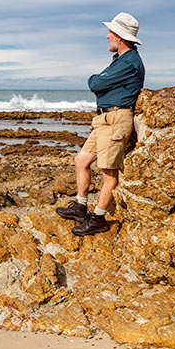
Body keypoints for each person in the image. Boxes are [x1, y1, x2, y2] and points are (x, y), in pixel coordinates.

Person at [56, 12, 145, 236]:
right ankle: (80, 206)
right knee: (81, 160)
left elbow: (96, 82)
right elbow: (99, 83)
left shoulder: (130, 62)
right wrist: (100, 82)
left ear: (120, 37)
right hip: (104, 119)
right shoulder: (120, 61)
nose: (107, 37)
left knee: (108, 173)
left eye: (110, 33)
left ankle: (98, 218)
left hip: (116, 119)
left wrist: (99, 81)